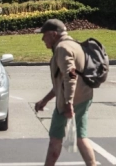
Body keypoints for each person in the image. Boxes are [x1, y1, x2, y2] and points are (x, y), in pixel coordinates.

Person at [33, 19, 97, 166]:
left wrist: (68, 103)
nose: (42, 39)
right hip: (84, 97)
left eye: (44, 35)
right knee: (81, 137)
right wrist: (45, 100)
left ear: (53, 34)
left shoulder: (62, 48)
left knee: (55, 138)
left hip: (69, 102)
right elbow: (61, 81)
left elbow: (70, 76)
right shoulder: (74, 44)